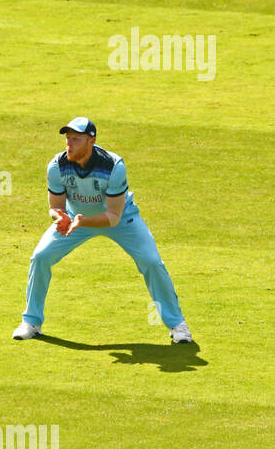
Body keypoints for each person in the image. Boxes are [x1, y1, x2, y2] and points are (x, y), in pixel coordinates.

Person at [13, 117, 192, 343]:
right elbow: (55, 206)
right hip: (75, 220)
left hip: (120, 219)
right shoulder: (57, 165)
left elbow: (113, 217)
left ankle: (178, 325)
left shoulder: (113, 166)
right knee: (40, 257)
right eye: (68, 138)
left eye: (76, 139)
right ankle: (31, 321)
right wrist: (60, 217)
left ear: (92, 141)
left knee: (152, 262)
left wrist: (82, 221)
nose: (69, 143)